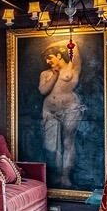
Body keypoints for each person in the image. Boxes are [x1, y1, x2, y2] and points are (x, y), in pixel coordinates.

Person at [38, 40, 83, 188]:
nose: (47, 61)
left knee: (68, 143)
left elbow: (74, 45)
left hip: (70, 109)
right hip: (49, 111)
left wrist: (54, 43)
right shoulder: (45, 73)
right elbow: (43, 91)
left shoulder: (72, 68)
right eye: (46, 59)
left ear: (58, 55)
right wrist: (55, 76)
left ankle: (65, 176)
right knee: (51, 146)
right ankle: (56, 176)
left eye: (50, 57)